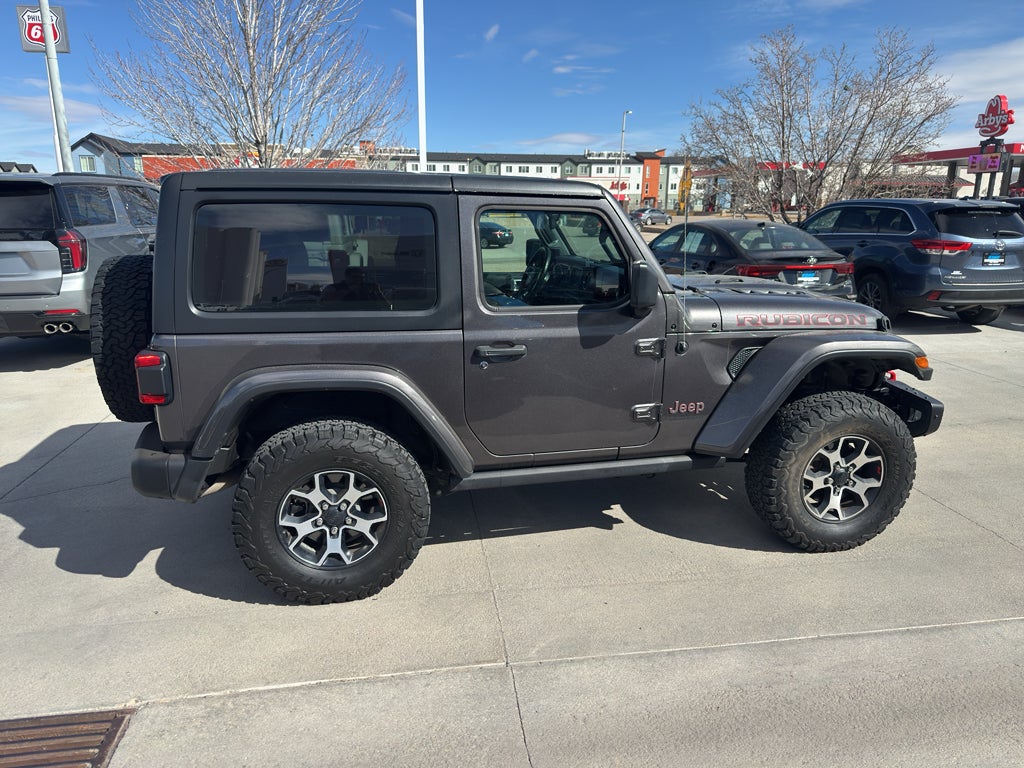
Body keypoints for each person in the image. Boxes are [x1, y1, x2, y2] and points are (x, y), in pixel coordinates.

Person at [321, 266, 388, 306]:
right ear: (346, 277)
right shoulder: (333, 288)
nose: (358, 279)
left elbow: (388, 306)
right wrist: (348, 291)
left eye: (361, 277)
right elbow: (323, 305)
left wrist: (378, 293)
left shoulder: (369, 288)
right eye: (355, 277)